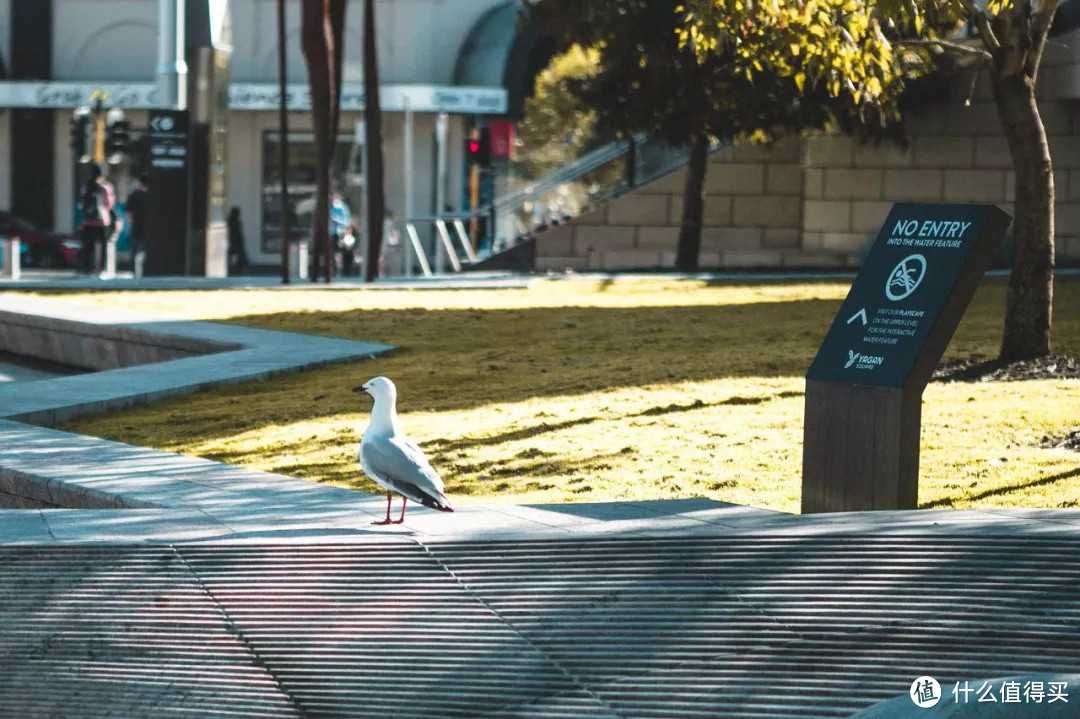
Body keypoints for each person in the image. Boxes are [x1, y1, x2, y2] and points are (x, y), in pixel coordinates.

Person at [78, 165, 116, 275]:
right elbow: (109, 205)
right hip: (102, 221)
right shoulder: (106, 187)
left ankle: (87, 269)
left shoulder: (86, 186)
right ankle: (102, 269)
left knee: (88, 247)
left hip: (88, 222)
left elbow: (82, 202)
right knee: (103, 246)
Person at [124, 175, 149, 278]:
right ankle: (144, 273)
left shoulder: (134, 195)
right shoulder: (151, 196)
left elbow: (128, 213)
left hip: (136, 227)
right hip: (148, 228)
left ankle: (135, 274)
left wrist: (132, 221)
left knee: (134, 252)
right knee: (145, 252)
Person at [227, 206, 249, 275]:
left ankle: (232, 267)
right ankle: (241, 267)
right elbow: (239, 233)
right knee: (241, 255)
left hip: (232, 241)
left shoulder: (229, 221)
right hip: (237, 242)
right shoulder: (237, 222)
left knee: (231, 254)